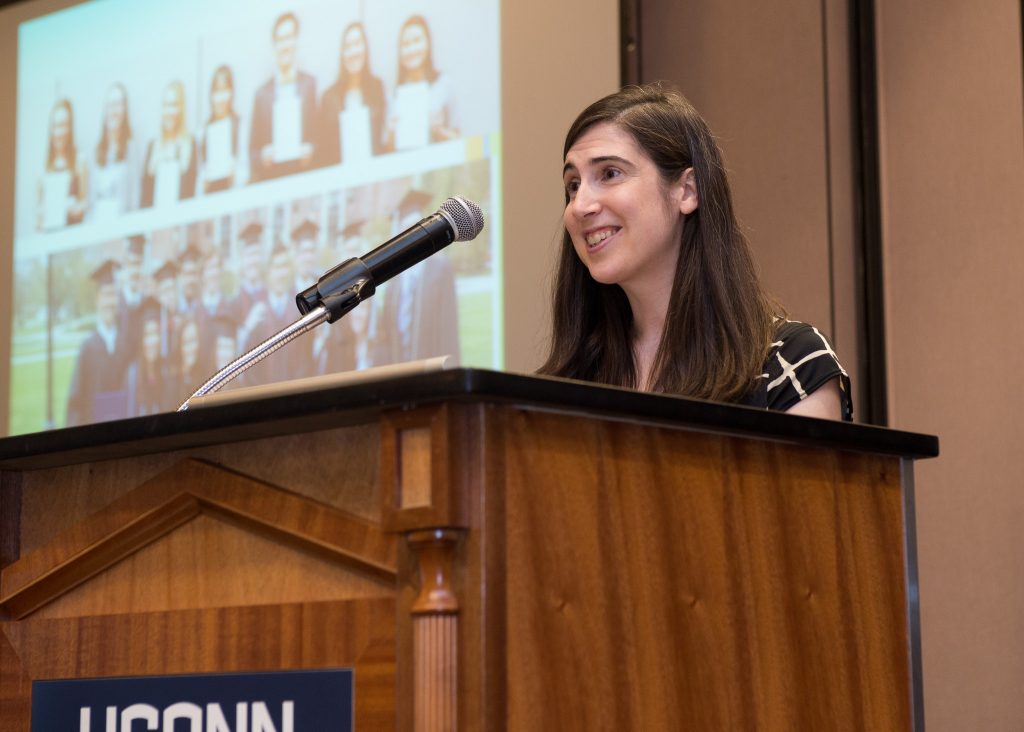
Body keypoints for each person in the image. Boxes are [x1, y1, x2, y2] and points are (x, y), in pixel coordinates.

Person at [541, 84, 851, 420]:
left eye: (610, 173)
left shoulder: (788, 364)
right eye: (573, 185)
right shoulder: (569, 380)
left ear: (687, 191)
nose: (579, 206)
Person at [378, 188, 460, 363]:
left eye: (417, 227)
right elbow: (385, 335)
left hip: (432, 370)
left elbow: (448, 329)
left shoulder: (440, 270)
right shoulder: (394, 281)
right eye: (406, 230)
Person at [249, 12, 317, 181]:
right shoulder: (261, 95)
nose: (285, 45)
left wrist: (312, 149)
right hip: (272, 183)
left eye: (289, 37)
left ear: (296, 40)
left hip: (304, 179)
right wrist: (262, 157)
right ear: (274, 45)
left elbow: (321, 138)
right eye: (281, 39)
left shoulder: (310, 85)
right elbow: (252, 153)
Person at [65, 260, 130, 426]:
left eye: (114, 295)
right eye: (106, 295)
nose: (110, 302)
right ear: (97, 299)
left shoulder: (126, 343)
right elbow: (75, 401)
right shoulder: (87, 348)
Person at [316, 21, 387, 166]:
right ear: (342, 54)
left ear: (365, 48)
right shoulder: (329, 97)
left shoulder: (377, 88)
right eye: (348, 47)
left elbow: (382, 141)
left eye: (357, 44)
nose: (353, 52)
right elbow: (323, 154)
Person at [387, 15, 458, 150]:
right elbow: (388, 151)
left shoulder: (443, 84)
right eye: (405, 44)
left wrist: (440, 131)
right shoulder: (394, 94)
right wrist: (391, 134)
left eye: (417, 41)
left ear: (428, 43)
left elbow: (459, 139)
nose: (411, 49)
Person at [140, 81, 198, 208]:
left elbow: (191, 192)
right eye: (166, 105)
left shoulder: (190, 143)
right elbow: (144, 199)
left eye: (174, 105)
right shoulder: (152, 146)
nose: (170, 111)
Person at [90, 83, 138, 221]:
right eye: (110, 105)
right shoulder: (97, 150)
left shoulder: (131, 147)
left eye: (118, 104)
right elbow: (92, 202)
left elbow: (134, 197)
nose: (114, 111)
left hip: (121, 229)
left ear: (125, 110)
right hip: (99, 228)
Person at [37, 98, 88, 230]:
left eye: (64, 125)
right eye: (56, 126)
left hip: (73, 237)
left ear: (70, 127)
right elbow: (39, 212)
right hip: (49, 238)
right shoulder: (44, 167)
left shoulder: (79, 160)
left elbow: (86, 202)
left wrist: (72, 208)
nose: (60, 132)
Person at [201, 65, 242, 193]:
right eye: (217, 91)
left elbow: (246, 170)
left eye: (225, 90)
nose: (221, 97)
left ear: (231, 92)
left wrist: (237, 174)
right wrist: (203, 182)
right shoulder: (203, 132)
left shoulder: (240, 126)